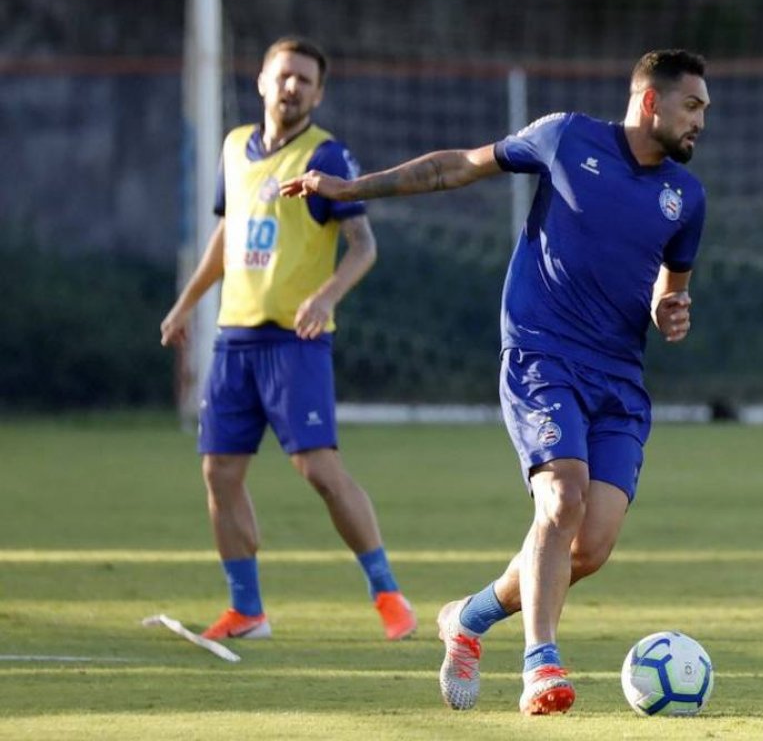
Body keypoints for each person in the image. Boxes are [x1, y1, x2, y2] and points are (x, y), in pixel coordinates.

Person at [281, 49, 709, 714]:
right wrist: (348, 191)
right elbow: (457, 166)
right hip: (543, 357)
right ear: (650, 101)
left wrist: (668, 309)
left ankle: (469, 619)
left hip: (620, 381)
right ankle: (542, 664)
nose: (701, 120)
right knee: (560, 501)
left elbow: (668, 289)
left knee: (589, 547)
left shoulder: (687, 197)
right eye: (693, 105)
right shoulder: (566, 137)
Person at [160, 36, 416, 642]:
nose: (292, 86)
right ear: (262, 80)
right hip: (234, 340)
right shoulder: (232, 148)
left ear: (318, 92)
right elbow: (227, 238)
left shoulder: (325, 155)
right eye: (284, 75)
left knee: (319, 469)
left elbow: (364, 247)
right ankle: (247, 610)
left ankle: (386, 593)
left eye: (305, 79)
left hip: (295, 343)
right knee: (219, 473)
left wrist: (326, 295)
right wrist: (185, 305)